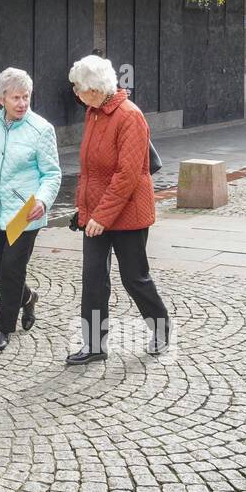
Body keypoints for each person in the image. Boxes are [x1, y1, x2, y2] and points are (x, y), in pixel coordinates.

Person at [66, 54, 170, 365]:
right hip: (96, 214)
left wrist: (101, 215)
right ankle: (94, 345)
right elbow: (91, 172)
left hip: (128, 215)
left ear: (95, 90)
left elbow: (128, 175)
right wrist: (84, 211)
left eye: (77, 87)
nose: (75, 93)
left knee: (134, 277)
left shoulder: (129, 116)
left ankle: (161, 327)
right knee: (93, 279)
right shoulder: (94, 112)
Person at [0, 67, 62, 352]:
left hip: (24, 212)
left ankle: (3, 327)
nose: (22, 103)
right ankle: (28, 298)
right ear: (0, 98)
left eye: (26, 97)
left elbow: (52, 174)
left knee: (13, 267)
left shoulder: (41, 130)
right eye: (15, 97)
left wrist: (42, 200)